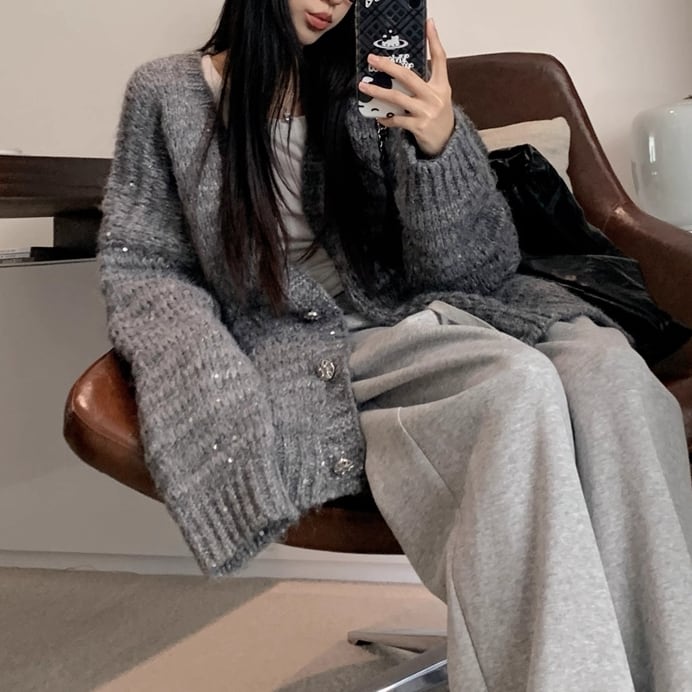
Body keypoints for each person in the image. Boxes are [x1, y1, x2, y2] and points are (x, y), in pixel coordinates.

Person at [98, 0, 692, 689]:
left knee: (611, 371)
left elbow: (473, 274)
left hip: (442, 307)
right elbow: (145, 267)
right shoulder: (168, 93)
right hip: (317, 343)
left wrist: (440, 146)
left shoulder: (368, 81)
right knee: (514, 385)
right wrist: (209, 374)